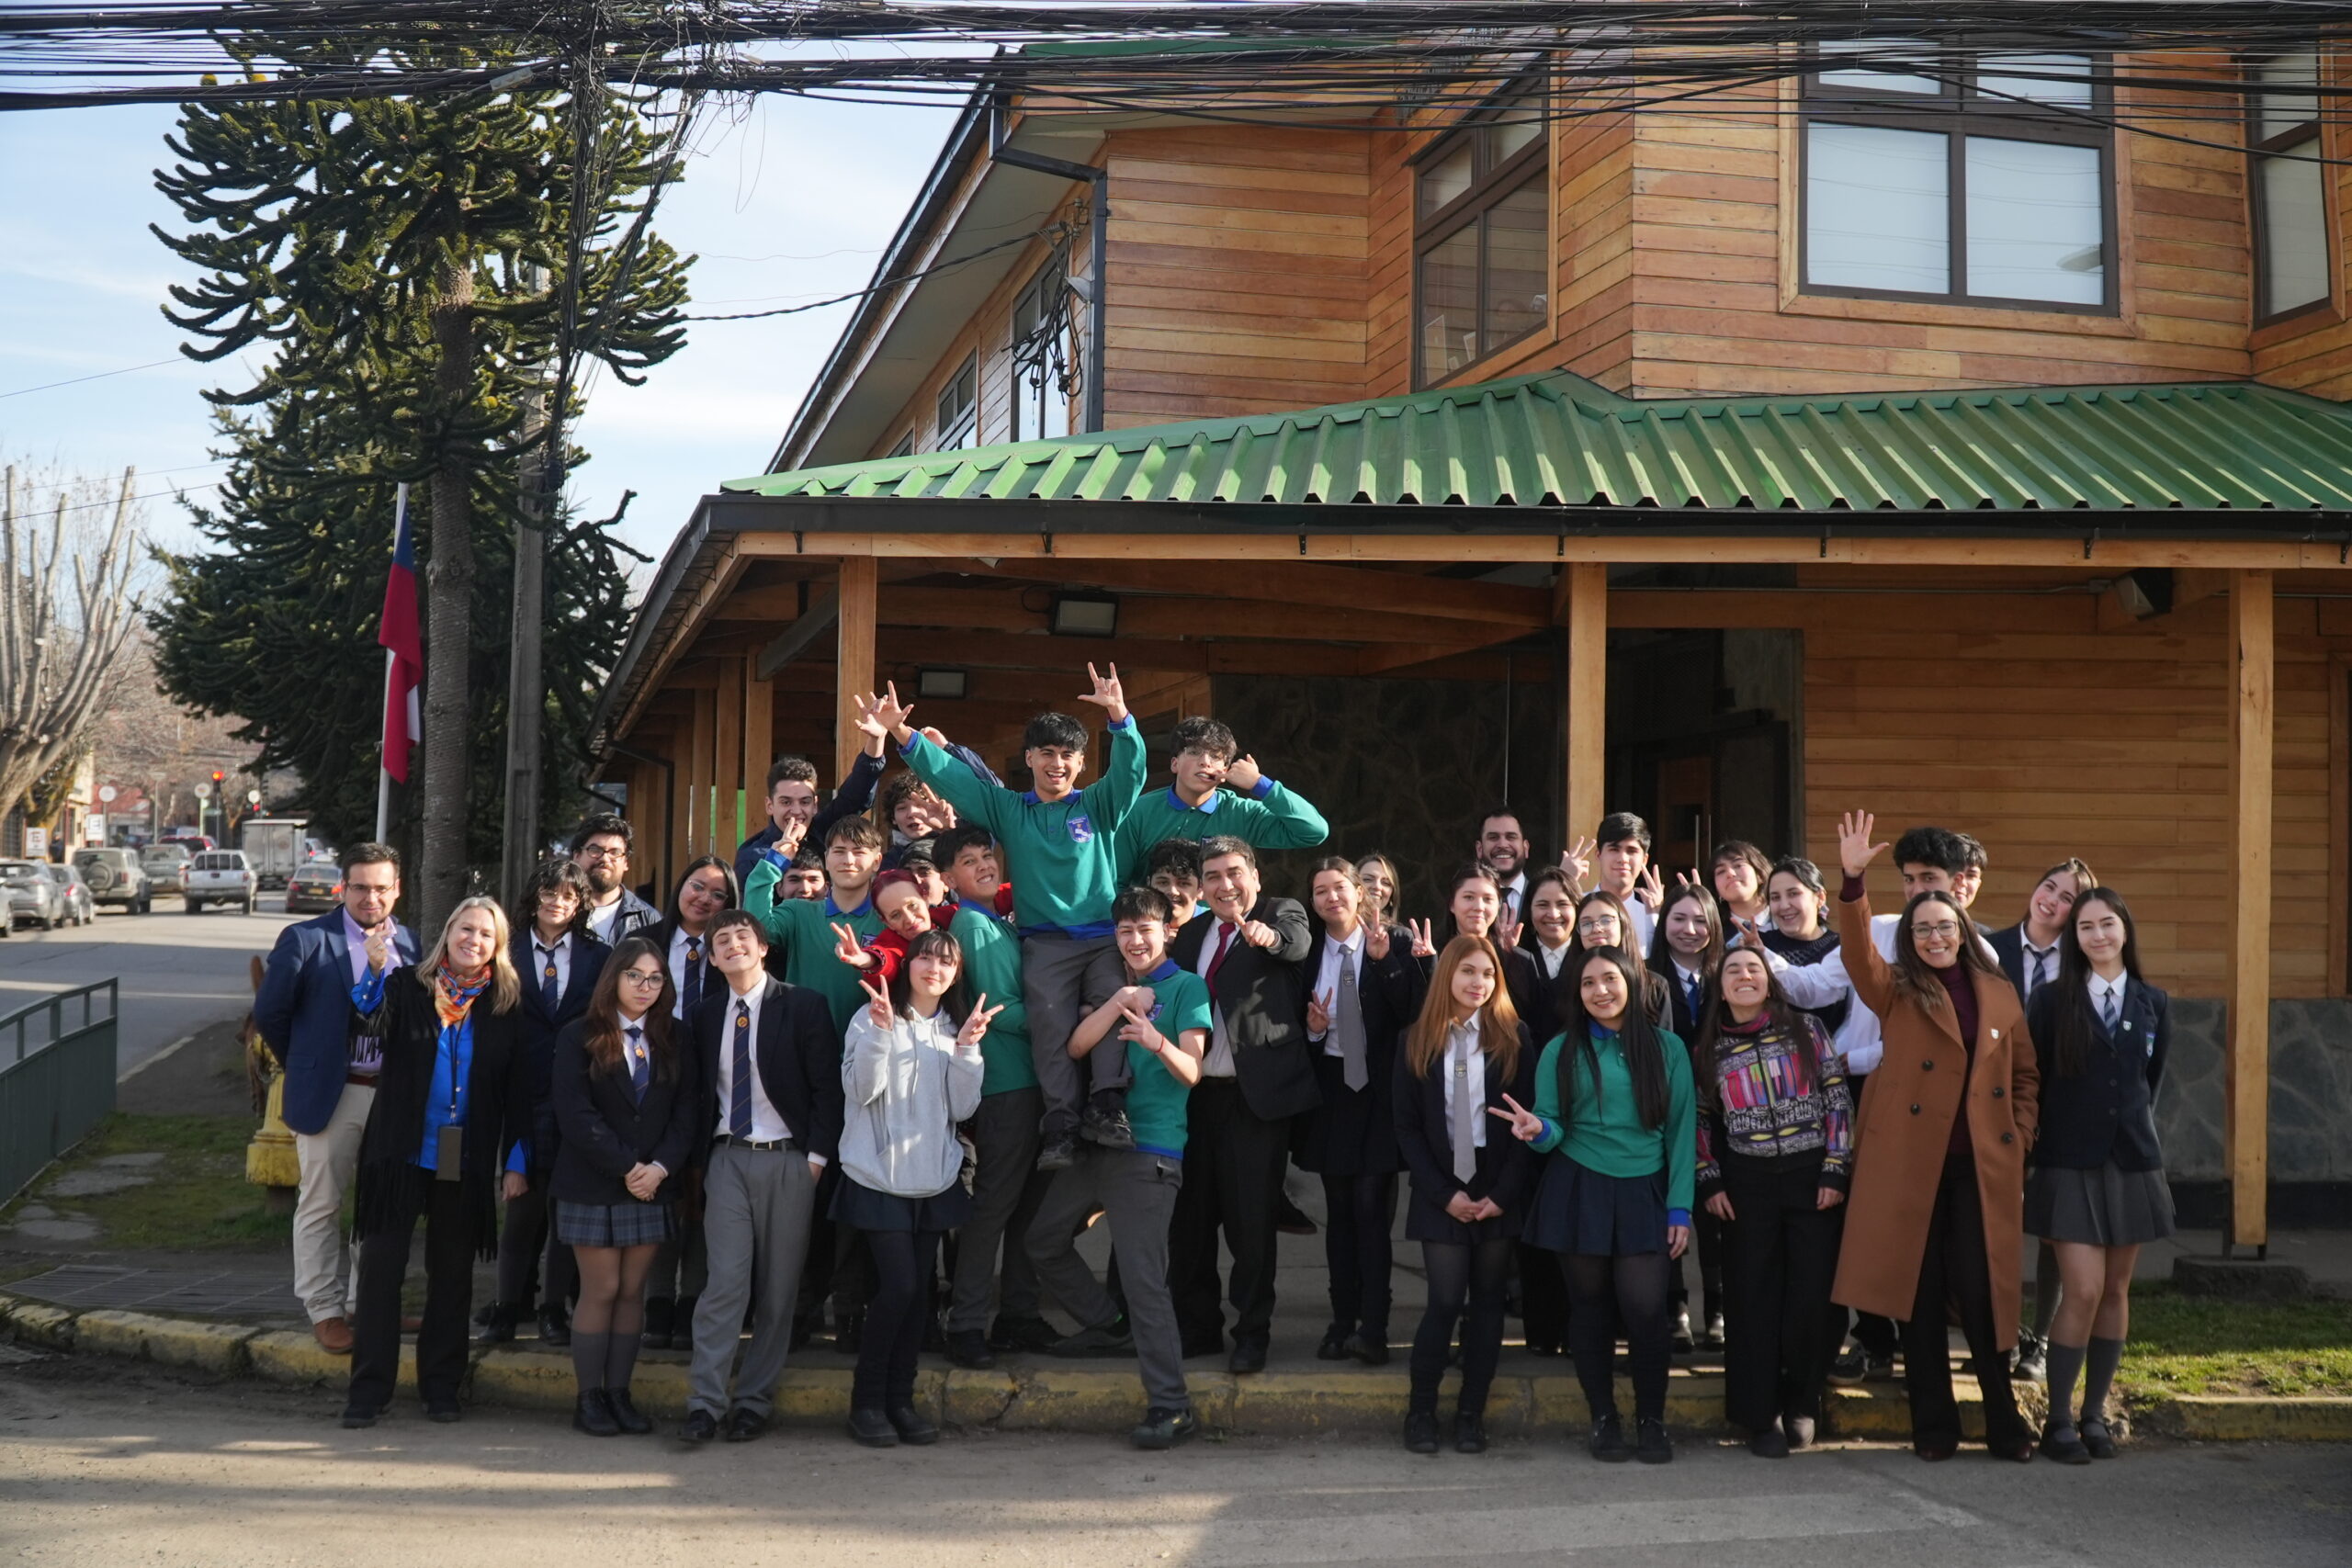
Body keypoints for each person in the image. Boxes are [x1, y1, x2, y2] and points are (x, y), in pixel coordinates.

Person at [1828, 809, 2039, 1463]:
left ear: (1962, 929)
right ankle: (1933, 1424)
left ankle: (2003, 1417)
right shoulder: (1895, 989)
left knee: (1981, 1291)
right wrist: (1854, 881)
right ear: (1910, 938)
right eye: (1922, 928)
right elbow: (1858, 952)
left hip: (1979, 1166)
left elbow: (2025, 1074)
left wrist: (2018, 1136)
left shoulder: (2000, 991)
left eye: (1945, 926)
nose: (1934, 936)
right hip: (1908, 1164)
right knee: (1913, 1295)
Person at [878, 670, 1143, 1169]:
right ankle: (1061, 1125)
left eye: (1067, 755)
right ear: (1029, 760)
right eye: (1046, 753)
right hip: (1044, 943)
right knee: (1048, 1026)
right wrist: (903, 735)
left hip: (1101, 938)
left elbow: (1131, 775)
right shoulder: (1009, 809)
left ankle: (1108, 1106)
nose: (1057, 764)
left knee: (1116, 1011)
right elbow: (953, 778)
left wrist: (1119, 719)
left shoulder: (1098, 805)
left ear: (1082, 763)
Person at [1758, 825, 1990, 1385]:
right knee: (1861, 1225)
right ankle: (1875, 1339)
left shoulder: (1978, 951)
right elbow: (1813, 988)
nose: (1915, 892)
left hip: (1933, 1110)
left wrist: (1848, 1060)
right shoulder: (1880, 929)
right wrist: (1753, 950)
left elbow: (1950, 1042)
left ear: (1963, 886)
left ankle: (1935, 1345)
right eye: (1908, 880)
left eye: (1928, 879)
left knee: (1929, 1235)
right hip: (1863, 1100)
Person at [1026, 886, 1210, 1450]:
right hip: (1095, 1146)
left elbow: (1193, 1071)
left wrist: (1156, 1040)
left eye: (1145, 930)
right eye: (1125, 931)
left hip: (1150, 1151)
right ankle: (1109, 1327)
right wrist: (1117, 1002)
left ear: (1167, 932)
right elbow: (1078, 1047)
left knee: (1144, 1280)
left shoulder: (1187, 987)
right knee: (1043, 1241)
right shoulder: (1115, 986)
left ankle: (1172, 1406)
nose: (1134, 939)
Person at [341, 897, 529, 1428]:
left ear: (498, 947)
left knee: (452, 1275)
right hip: (399, 1151)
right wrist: (376, 969)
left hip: (463, 1158)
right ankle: (367, 1390)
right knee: (381, 1271)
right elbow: (367, 1023)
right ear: (447, 934)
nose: (474, 939)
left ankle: (441, 1385)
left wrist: (517, 1160)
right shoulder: (406, 987)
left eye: (486, 934)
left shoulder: (505, 1004)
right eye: (465, 929)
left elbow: (519, 1091)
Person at [1504, 946, 1695, 1466]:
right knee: (1588, 1312)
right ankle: (1604, 1419)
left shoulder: (1669, 1048)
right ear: (1578, 994)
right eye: (1588, 984)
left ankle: (1651, 1421)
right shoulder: (1559, 1052)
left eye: (1610, 979)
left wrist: (1680, 1208)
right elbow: (1551, 1125)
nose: (1600, 991)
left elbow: (1681, 1133)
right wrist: (1537, 1130)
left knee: (1646, 1311)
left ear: (1632, 982)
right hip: (1579, 1186)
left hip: (1645, 1190)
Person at [680, 910, 843, 1444]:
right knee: (724, 1283)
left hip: (790, 1161)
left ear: (763, 947)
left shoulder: (802, 1005)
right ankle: (704, 1403)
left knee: (778, 1290)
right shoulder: (704, 1017)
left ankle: (753, 1401)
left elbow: (827, 1090)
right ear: (712, 955)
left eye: (741, 937)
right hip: (728, 1158)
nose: (731, 946)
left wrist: (815, 1160)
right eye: (720, 941)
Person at [2025, 887, 2171, 1465]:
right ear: (2074, 939)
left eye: (2107, 924)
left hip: (2132, 1161)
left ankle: (2094, 1415)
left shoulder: (2153, 1001)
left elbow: (2149, 1084)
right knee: (2081, 1289)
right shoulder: (2049, 1000)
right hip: (2067, 1163)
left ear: (2125, 930)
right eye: (2085, 928)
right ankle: (2058, 1419)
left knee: (2114, 1290)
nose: (2098, 936)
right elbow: (2033, 1080)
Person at [253, 841, 417, 1355]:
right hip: (332, 1094)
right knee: (322, 1204)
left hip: (390, 1097)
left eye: (381, 888)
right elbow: (272, 1014)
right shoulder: (305, 939)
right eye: (361, 887)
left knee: (380, 1206)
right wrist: (311, 1062)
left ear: (397, 890)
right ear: (343, 887)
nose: (371, 897)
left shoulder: (409, 943)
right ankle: (325, 1309)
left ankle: (368, 1301)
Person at [836, 931, 995, 1446]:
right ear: (908, 965)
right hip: (878, 1177)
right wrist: (882, 1033)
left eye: (946, 962)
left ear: (956, 973)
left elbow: (961, 1109)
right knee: (900, 1287)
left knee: (918, 1298)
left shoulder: (955, 1026)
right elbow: (862, 1091)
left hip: (934, 1178)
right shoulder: (871, 1015)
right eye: (925, 956)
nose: (934, 967)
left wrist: (968, 1051)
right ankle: (867, 1404)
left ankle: (900, 1402)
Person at [1167, 837, 1318, 1372]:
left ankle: (1252, 1333)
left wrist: (1268, 937)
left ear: (1254, 874)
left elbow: (1296, 945)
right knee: (1191, 1221)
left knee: (1251, 1226)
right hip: (1192, 1099)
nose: (1225, 885)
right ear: (1202, 888)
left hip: (1255, 1102)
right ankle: (1199, 1328)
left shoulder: (1282, 912)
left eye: (1234, 872)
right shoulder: (1189, 935)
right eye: (1213, 877)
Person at [1694, 947, 1852, 1457]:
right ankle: (1758, 1416)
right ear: (1720, 989)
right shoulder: (1709, 1049)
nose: (1744, 976)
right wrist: (1710, 1179)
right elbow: (1700, 1120)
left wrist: (1835, 1166)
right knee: (1751, 1298)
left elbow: (1836, 1096)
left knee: (1813, 1296)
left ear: (1769, 981)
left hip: (1812, 1178)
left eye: (1753, 969)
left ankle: (1802, 1401)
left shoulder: (1807, 1030)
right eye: (1732, 971)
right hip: (1746, 1183)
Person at [549, 936, 700, 1438]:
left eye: (656, 978)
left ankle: (619, 1394)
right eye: (634, 975)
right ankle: (588, 1397)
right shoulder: (579, 1034)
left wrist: (659, 1168)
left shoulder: (676, 1036)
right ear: (613, 978)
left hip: (653, 1183)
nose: (645, 986)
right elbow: (574, 1114)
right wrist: (626, 1167)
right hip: (594, 1182)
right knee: (603, 1288)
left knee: (633, 1290)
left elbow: (688, 1112)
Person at [1394, 936, 1535, 1455]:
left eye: (1488, 974)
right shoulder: (1415, 1040)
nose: (1478, 983)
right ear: (1446, 976)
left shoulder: (1514, 1036)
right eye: (1467, 972)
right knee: (1445, 1301)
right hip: (1441, 1186)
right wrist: (1442, 1193)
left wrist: (1502, 1193)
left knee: (1489, 1304)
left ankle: (1471, 1415)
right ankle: (1421, 1412)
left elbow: (1529, 1123)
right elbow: (1406, 1128)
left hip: (1497, 1185)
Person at [931, 827, 1057, 1365]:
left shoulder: (996, 921)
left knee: (1029, 1207)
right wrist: (1067, 1026)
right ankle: (965, 1324)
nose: (983, 865)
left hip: (1029, 1082)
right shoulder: (974, 924)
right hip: (1008, 1085)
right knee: (995, 1207)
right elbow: (1000, 1006)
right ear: (946, 879)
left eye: (988, 855)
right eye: (968, 860)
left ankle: (1019, 1315)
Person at [482, 859, 609, 1350]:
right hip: (520, 1099)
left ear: (580, 905)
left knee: (565, 1216)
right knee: (522, 1211)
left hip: (577, 1097)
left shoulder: (599, 956)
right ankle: (507, 1309)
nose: (558, 903)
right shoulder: (504, 952)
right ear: (534, 897)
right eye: (549, 894)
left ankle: (553, 1310)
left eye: (568, 897)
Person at [1297, 858, 1419, 1367]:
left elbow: (1414, 1009)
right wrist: (1317, 1028)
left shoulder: (1394, 942)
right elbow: (1294, 1027)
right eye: (1320, 890)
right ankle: (1341, 1321)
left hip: (1380, 1096)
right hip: (1332, 1095)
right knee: (1341, 1215)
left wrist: (1386, 961)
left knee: (1372, 1213)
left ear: (1359, 893)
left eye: (1339, 888)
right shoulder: (1304, 954)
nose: (1331, 898)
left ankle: (1374, 1327)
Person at [1987, 856, 2097, 1379]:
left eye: (2068, 897)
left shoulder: (2084, 967)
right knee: (1995, 1225)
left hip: (2059, 1112)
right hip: (1991, 1106)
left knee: (2054, 1228)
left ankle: (2042, 1341)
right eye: (2049, 886)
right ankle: (2000, 1335)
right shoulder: (1990, 950)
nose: (2052, 900)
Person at [639, 855, 738, 1350]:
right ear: (681, 885)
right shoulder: (646, 943)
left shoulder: (730, 948)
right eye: (697, 886)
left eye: (717, 894)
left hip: (719, 1081)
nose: (704, 899)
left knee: (704, 1194)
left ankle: (691, 1301)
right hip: (654, 1077)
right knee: (664, 1190)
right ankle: (657, 1299)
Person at [1649, 881, 1727, 1351]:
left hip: (1723, 1112)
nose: (1690, 929)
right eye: (1679, 918)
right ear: (1664, 924)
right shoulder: (1645, 975)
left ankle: (1717, 1309)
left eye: (1701, 920)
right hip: (1664, 1111)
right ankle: (1674, 1305)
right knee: (1669, 1206)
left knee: (1715, 1212)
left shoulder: (1728, 974)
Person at [1112, 716, 1329, 884]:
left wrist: (1261, 785)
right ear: (1174, 763)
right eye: (1195, 752)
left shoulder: (1242, 813)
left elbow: (1313, 832)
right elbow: (1117, 880)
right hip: (1153, 928)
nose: (1205, 762)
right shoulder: (1138, 811)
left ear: (1225, 770)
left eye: (1215, 757)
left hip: (1218, 928)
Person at [742, 815, 889, 1034]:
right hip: (802, 1046)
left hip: (869, 1049)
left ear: (877, 861)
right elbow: (756, 928)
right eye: (839, 851)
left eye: (859, 852)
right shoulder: (798, 912)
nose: (848, 860)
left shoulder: (889, 919)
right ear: (827, 859)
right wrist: (773, 863)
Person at [1760, 857, 1847, 1037]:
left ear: (1820, 897)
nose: (1784, 906)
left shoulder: (1843, 947)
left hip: (1835, 1058)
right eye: (1775, 897)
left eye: (1793, 894)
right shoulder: (1759, 944)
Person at [1568, 890, 1669, 1028]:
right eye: (1586, 924)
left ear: (1623, 924)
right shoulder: (1564, 985)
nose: (1597, 929)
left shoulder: (1655, 986)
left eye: (1606, 921)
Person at [1579, 812, 1663, 954]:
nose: (1623, 859)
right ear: (1598, 855)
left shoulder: (1652, 915)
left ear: (1644, 860)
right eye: (1614, 849)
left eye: (1631, 851)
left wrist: (1655, 919)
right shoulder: (1577, 907)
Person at [571, 814, 660, 947]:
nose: (605, 859)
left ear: (626, 863)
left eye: (615, 852)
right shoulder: (557, 912)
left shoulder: (648, 919)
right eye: (595, 850)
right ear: (577, 856)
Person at [1476, 808, 1532, 929]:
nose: (1502, 844)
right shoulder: (1468, 901)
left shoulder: (1540, 895)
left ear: (1526, 848)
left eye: (1511, 837)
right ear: (1479, 849)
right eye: (1493, 837)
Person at [1711, 840, 1774, 934]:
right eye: (1721, 871)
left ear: (1760, 874)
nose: (1730, 873)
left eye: (1738, 865)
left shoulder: (1787, 920)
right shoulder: (1712, 933)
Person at [1145, 838, 1204, 927]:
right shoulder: (1128, 924)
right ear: (1149, 885)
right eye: (1163, 883)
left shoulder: (1215, 926)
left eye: (1183, 883)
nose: (1172, 891)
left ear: (1200, 888)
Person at [1354, 852, 1403, 931]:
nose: (1377, 887)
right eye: (1368, 879)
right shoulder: (1330, 930)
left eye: (1386, 883)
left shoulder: (1400, 938)